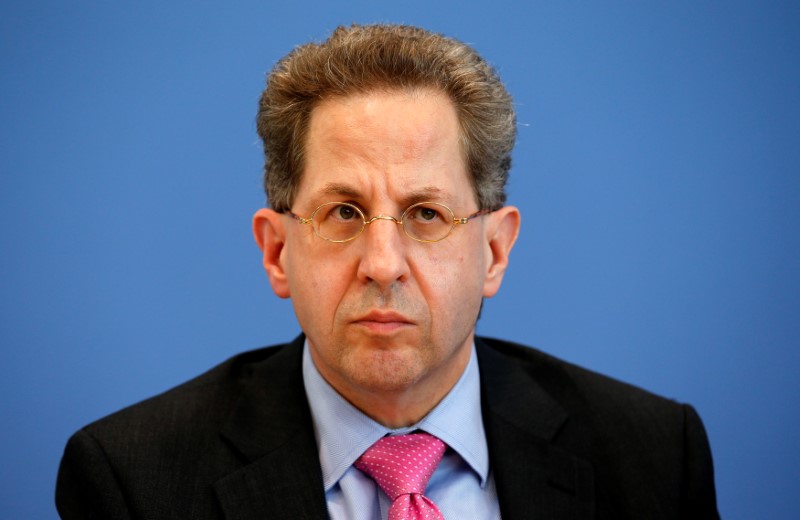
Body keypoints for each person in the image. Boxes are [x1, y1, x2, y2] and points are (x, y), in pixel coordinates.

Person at [55, 24, 720, 519]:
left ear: (494, 251)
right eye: (344, 212)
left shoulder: (653, 458)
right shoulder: (131, 481)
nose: (382, 265)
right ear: (277, 251)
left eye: (425, 213)